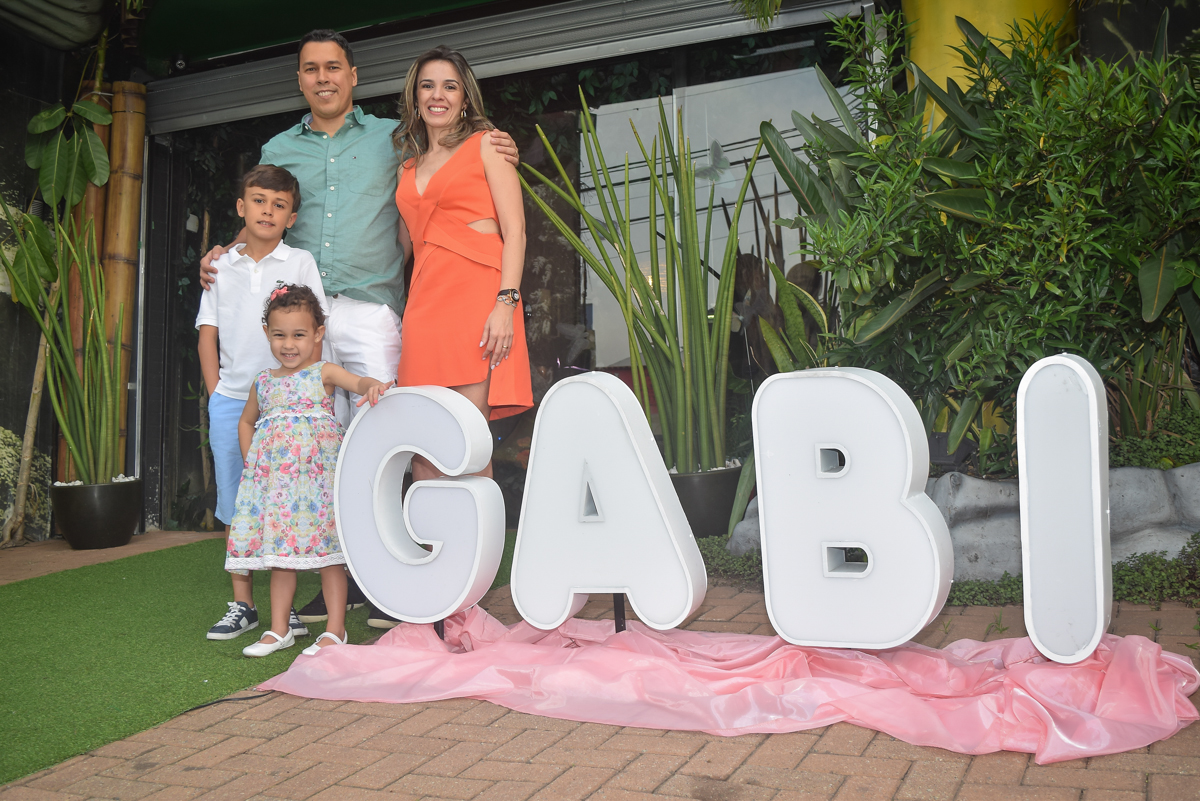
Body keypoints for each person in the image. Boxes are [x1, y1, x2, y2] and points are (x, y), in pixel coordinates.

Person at [200, 29, 520, 629]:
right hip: (304, 319)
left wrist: (494, 143)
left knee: (382, 444)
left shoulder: (392, 139)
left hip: (374, 310)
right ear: (300, 79)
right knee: (324, 453)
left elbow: (453, 164)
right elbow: (264, 215)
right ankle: (333, 583)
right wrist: (226, 249)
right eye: (311, 69)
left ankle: (393, 575)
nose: (323, 78)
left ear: (353, 76)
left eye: (334, 68)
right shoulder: (278, 146)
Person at [197, 165, 328, 642]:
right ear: (241, 208)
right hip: (234, 403)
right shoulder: (220, 266)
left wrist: (314, 390)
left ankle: (284, 608)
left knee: (284, 505)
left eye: (278, 204)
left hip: (287, 408)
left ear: (291, 215)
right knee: (239, 504)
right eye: (258, 201)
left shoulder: (300, 262)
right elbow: (206, 333)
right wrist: (217, 394)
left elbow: (317, 331)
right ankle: (243, 605)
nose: (267, 211)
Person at [393, 45, 533, 482]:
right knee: (424, 441)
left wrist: (505, 304)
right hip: (423, 307)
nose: (438, 95)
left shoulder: (487, 146)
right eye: (428, 86)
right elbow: (402, 248)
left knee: (467, 438)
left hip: (479, 301)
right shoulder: (407, 166)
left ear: (465, 97)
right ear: (415, 98)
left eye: (450, 86)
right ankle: (433, 547)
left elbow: (517, 232)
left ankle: (478, 551)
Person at [229, 284, 392, 657]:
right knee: (279, 560)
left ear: (318, 334)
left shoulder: (324, 372)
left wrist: (373, 386)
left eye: (299, 335)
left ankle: (335, 630)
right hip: (278, 490)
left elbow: (359, 382)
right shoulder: (263, 381)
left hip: (318, 486)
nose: (289, 344)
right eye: (279, 335)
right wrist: (254, 465)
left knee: (329, 557)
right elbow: (246, 422)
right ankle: (278, 629)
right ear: (267, 334)